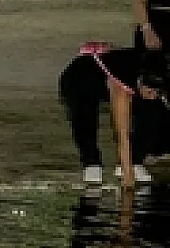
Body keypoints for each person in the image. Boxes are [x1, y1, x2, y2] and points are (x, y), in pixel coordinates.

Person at [60, 46, 168, 187]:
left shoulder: (161, 74)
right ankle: (91, 163)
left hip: (131, 73)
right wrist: (128, 175)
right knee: (84, 118)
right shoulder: (122, 82)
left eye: (157, 92)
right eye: (149, 92)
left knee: (154, 112)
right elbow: (121, 133)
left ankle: (136, 160)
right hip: (81, 78)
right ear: (139, 81)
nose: (153, 96)